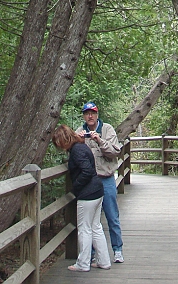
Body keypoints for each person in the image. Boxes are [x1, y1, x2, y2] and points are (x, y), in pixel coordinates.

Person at [51, 124, 111, 272]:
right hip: (97, 191)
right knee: (96, 227)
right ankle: (104, 261)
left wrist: (75, 187)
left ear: (63, 140)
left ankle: (83, 264)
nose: (59, 147)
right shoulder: (81, 146)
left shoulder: (77, 150)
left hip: (88, 194)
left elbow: (87, 171)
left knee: (84, 229)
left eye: (59, 143)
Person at [77, 102, 125, 263]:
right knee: (90, 220)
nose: (90, 116)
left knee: (112, 216)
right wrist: (80, 141)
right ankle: (90, 254)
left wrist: (99, 140)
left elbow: (114, 152)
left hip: (106, 179)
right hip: (89, 182)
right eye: (87, 113)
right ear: (84, 115)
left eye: (93, 113)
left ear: (97, 114)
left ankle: (117, 250)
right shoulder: (80, 131)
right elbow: (74, 153)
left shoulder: (107, 129)